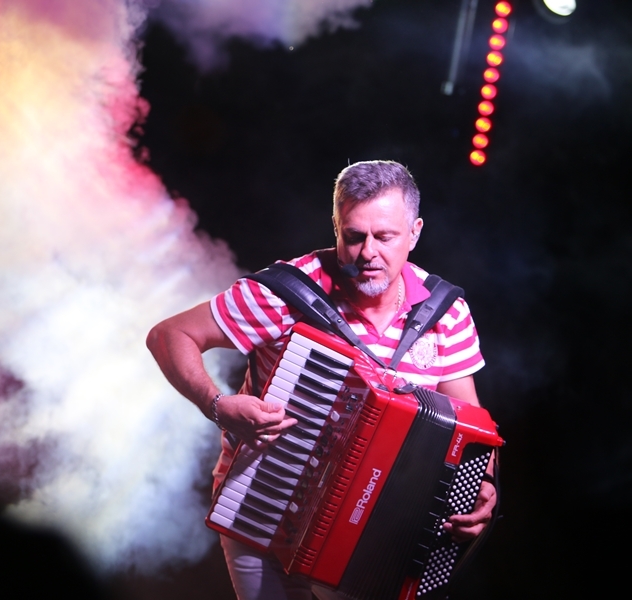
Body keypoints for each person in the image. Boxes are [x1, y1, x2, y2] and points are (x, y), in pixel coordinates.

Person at [146, 160, 497, 600]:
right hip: (264, 509)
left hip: (375, 526)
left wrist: (482, 486)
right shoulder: (285, 294)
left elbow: (470, 426)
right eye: (354, 236)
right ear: (336, 228)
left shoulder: (445, 314)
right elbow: (169, 335)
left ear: (415, 232)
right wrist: (217, 406)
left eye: (385, 236)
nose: (368, 252)